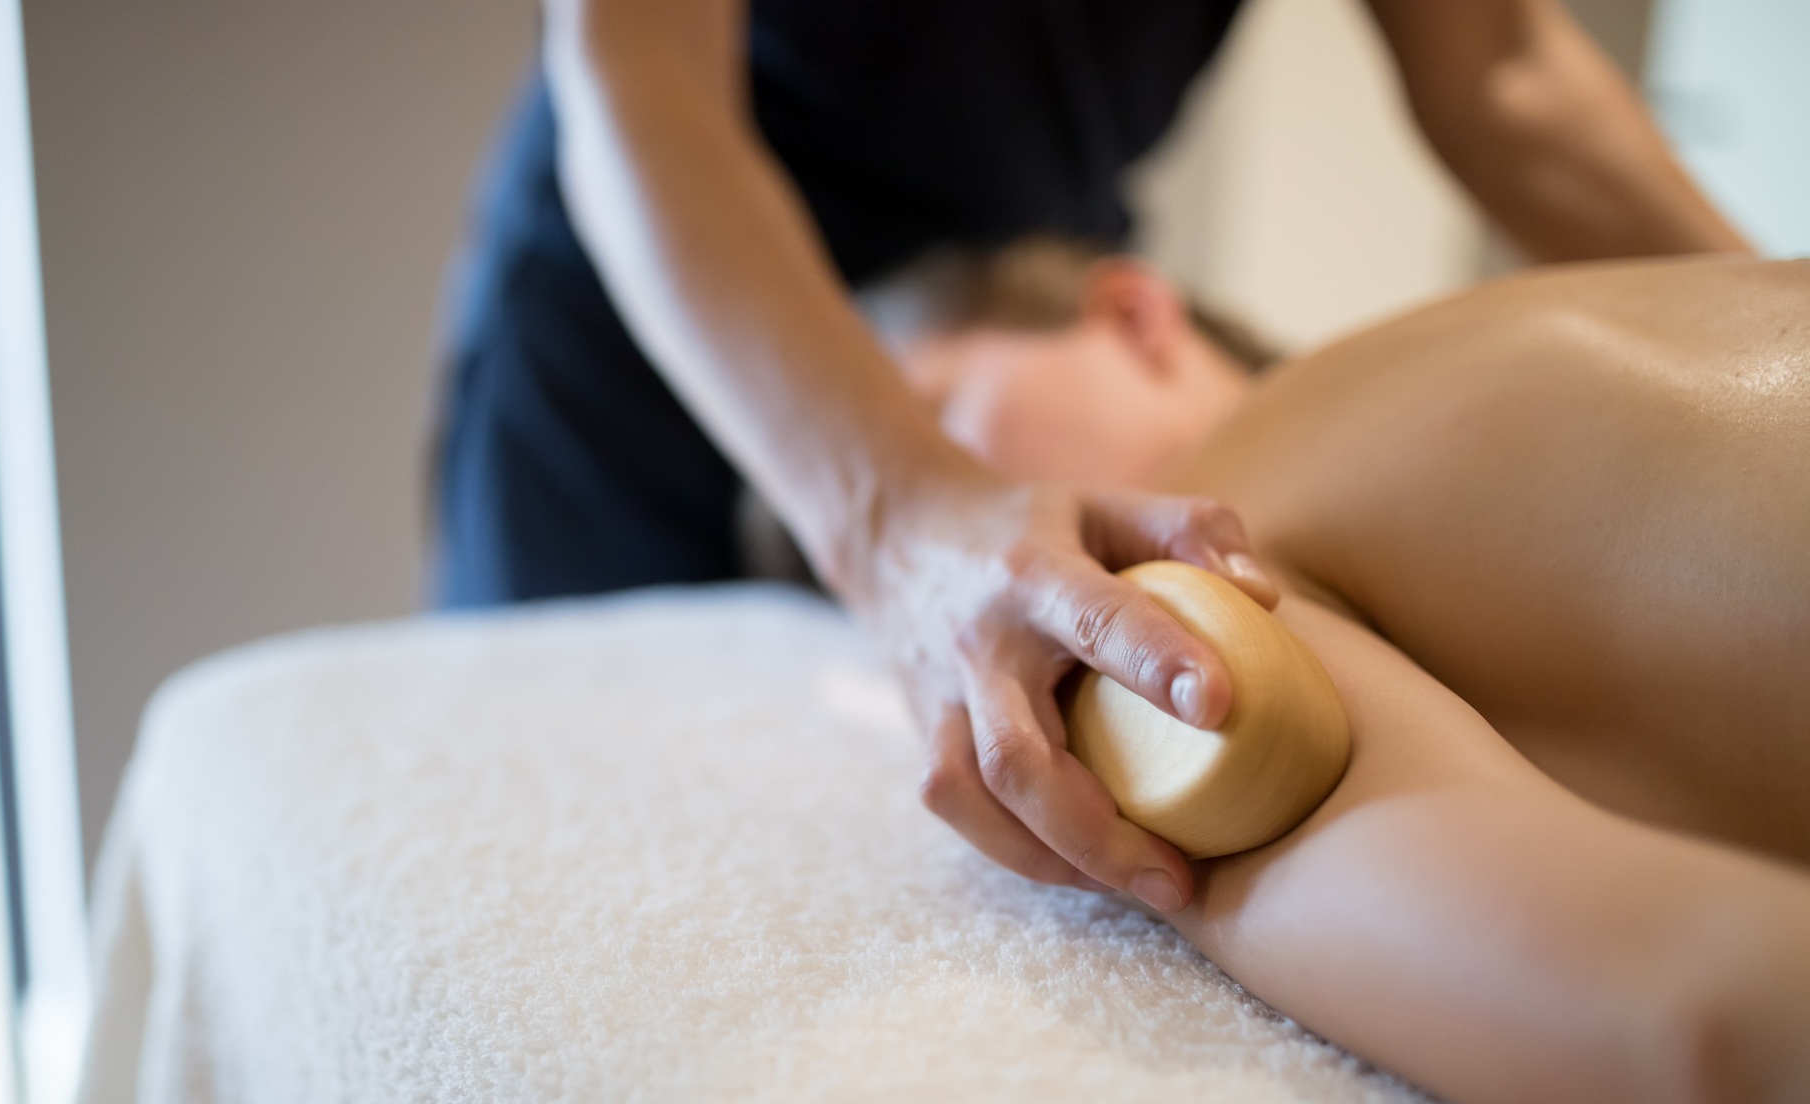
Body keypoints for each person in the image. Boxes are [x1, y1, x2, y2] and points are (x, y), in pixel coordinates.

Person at [433, 0, 1751, 916]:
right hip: (661, 315)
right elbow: (639, 76)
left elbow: (1504, 76)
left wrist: (1768, 326)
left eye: (954, 419)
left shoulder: (1417, 426)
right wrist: (896, 519)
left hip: (1019, 245)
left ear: (1135, 310)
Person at [879, 241, 1810, 1104]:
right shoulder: (1548, 316)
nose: (946, 574)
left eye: (934, 429)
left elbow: (1703, 1064)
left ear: (1133, 314)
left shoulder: (1187, 585)